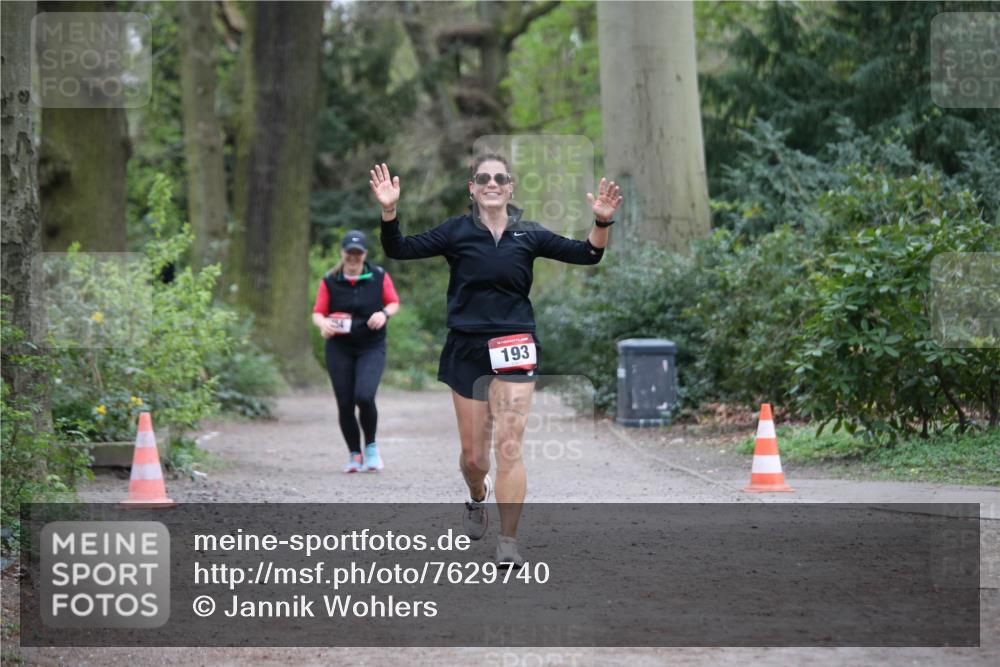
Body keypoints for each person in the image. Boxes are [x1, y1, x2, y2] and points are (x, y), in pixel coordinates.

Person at [371, 155, 622, 566]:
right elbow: (398, 249)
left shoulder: (530, 233)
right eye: (483, 178)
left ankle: (508, 542)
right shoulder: (456, 231)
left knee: (509, 446)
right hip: (467, 347)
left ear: (510, 186)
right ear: (472, 187)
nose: (492, 184)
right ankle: (476, 494)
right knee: (475, 459)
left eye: (499, 178)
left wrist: (601, 222)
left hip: (515, 343)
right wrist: (389, 209)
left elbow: (587, 255)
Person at [312, 230, 400, 473]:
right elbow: (318, 312)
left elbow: (393, 302)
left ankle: (371, 447)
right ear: (342, 253)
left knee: (364, 396)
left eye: (357, 253)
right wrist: (323, 325)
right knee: (345, 403)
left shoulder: (379, 276)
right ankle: (354, 454)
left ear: (364, 254)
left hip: (371, 346)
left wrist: (383, 314)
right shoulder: (330, 280)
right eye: (349, 253)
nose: (353, 257)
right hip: (339, 348)